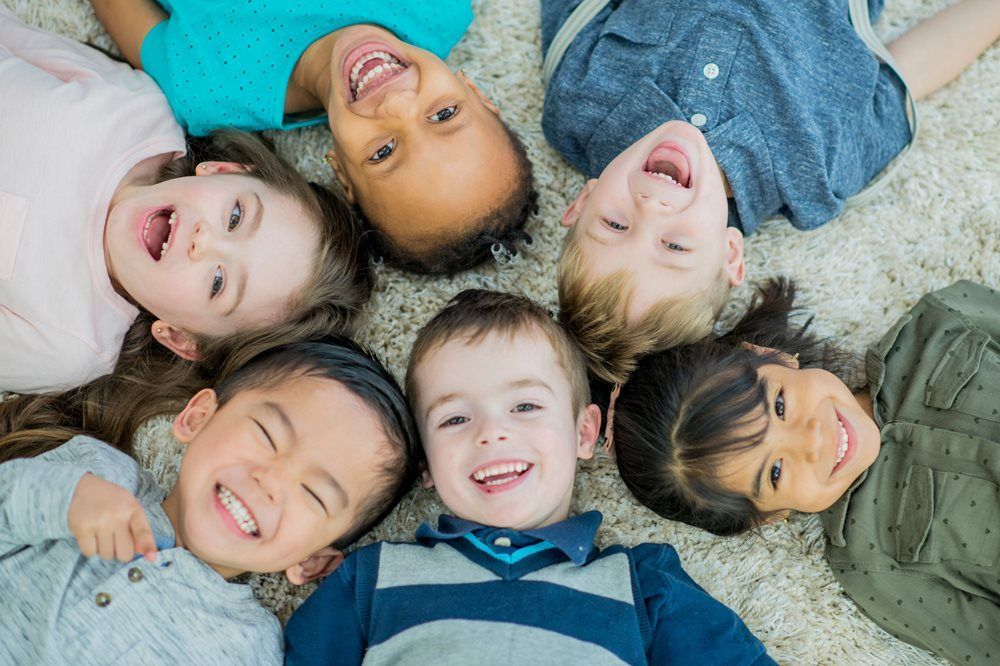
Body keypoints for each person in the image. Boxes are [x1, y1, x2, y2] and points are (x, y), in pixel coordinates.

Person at [284, 289, 773, 665]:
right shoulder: (370, 578)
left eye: (525, 406)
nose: (492, 433)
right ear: (425, 465)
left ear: (584, 433)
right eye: (455, 418)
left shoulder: (641, 585)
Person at [544, 0, 1000, 384]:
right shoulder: (818, 175)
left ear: (582, 201)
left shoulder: (579, 102)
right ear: (730, 254)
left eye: (615, 223)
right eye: (674, 245)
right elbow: (911, 70)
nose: (651, 208)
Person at [610, 278, 1000, 664]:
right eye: (776, 472)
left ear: (770, 354)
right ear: (766, 517)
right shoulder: (875, 566)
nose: (812, 440)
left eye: (779, 406)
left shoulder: (937, 326)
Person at [0, 7, 370, 394]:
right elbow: (16, 37)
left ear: (180, 337)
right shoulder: (136, 108)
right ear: (224, 170)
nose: (202, 241)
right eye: (235, 217)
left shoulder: (71, 344)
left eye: (217, 282)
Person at [0, 337, 420, 664]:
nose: (269, 480)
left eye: (313, 494)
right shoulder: (98, 472)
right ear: (197, 417)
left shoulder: (248, 645)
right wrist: (63, 499)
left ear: (311, 562)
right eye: (268, 435)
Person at [86, 0, 538, 274]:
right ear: (477, 92)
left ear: (340, 171)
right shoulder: (440, 8)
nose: (397, 105)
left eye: (383, 151)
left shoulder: (208, 89)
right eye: (443, 113)